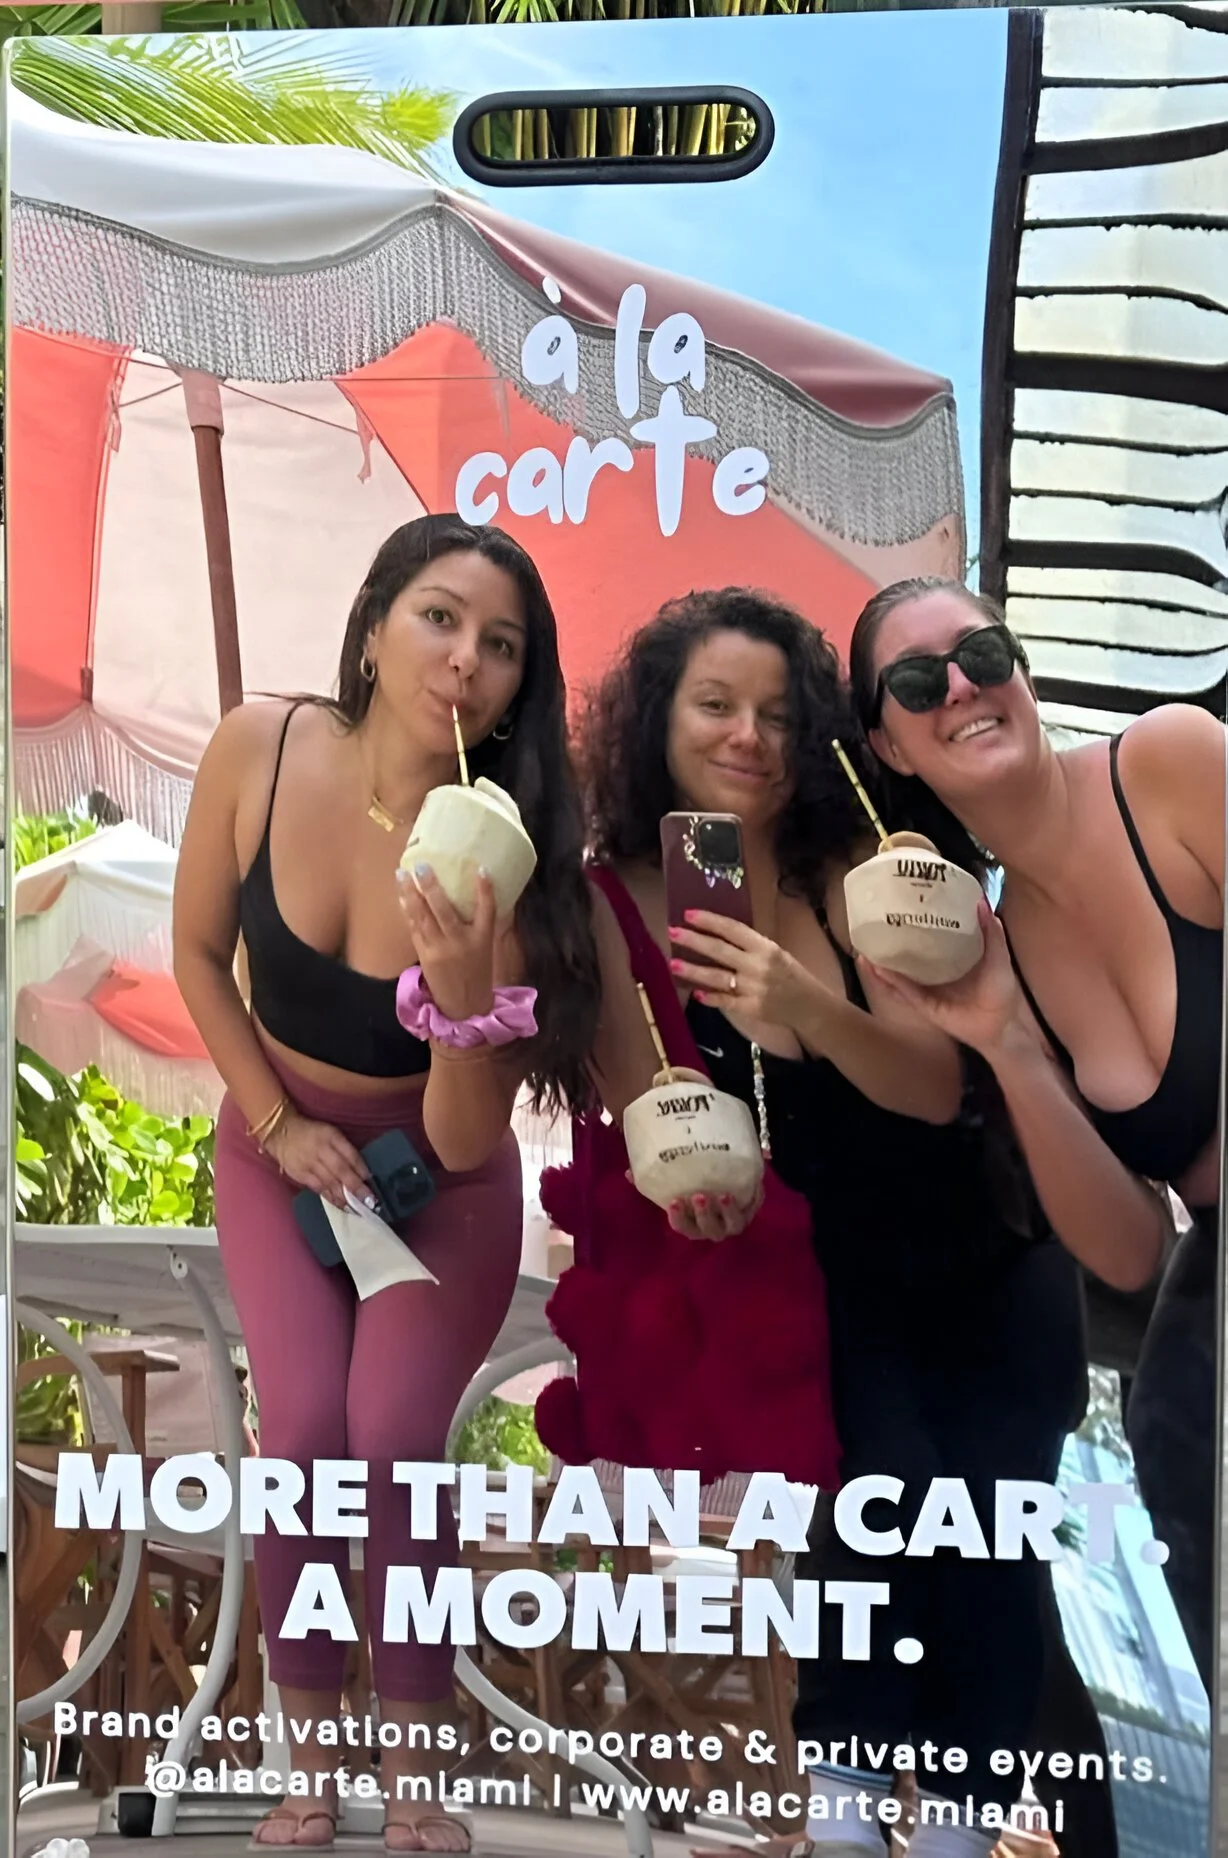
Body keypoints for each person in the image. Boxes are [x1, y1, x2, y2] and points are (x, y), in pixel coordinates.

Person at [557, 588, 1087, 1858]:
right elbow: (653, 1106)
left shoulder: (855, 859)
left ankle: (960, 1827)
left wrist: (803, 995)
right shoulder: (614, 897)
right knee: (875, 1521)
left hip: (985, 1248)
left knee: (991, 1535)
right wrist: (689, 1179)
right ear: (655, 725)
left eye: (779, 714)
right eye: (715, 706)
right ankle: (848, 1824)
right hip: (829, 1274)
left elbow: (933, 1084)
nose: (749, 736)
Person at [173, 514, 599, 1852]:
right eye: (439, 617)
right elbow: (194, 955)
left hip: (439, 1182)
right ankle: (313, 1758)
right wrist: (276, 1120)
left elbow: (469, 1141)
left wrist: (468, 997)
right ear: (371, 629)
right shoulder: (262, 746)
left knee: (393, 1440)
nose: (465, 657)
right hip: (277, 1149)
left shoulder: (507, 860)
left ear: (520, 688)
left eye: (503, 646)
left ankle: (412, 1765)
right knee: (301, 1438)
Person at [849, 573, 1222, 1696]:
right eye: (917, 680)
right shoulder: (1002, 944)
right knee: (1172, 1415)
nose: (960, 684)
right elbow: (1126, 1254)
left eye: (982, 652)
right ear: (893, 747)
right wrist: (1005, 1038)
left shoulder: (1165, 763)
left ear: (1024, 671)